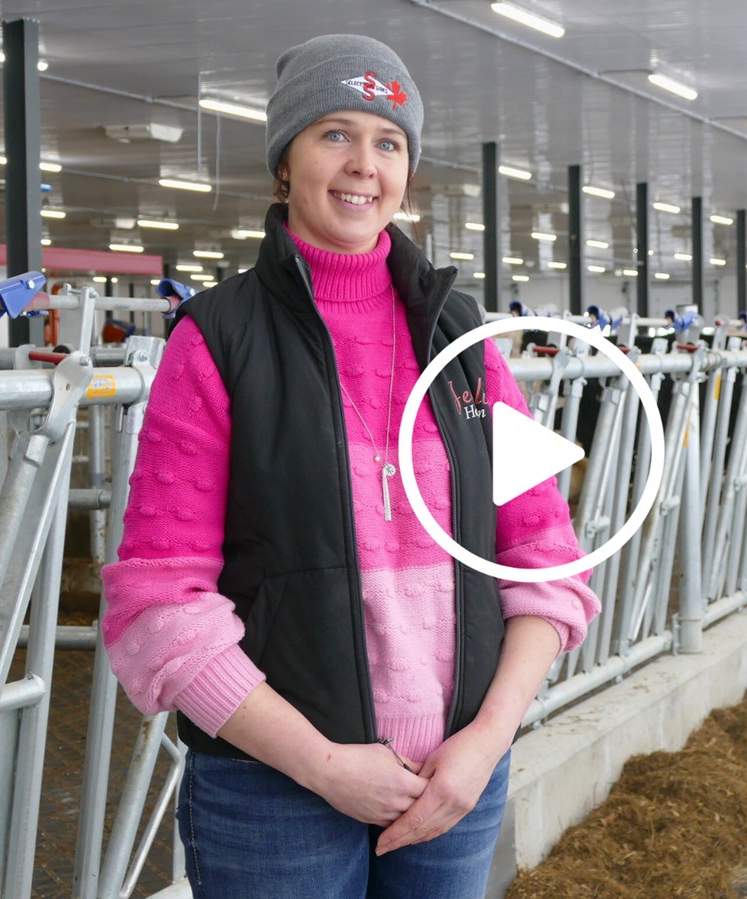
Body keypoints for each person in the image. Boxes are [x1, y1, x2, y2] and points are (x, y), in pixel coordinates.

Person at [100, 34, 600, 898]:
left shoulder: (465, 343)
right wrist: (325, 765)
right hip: (276, 790)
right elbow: (161, 600)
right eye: (334, 133)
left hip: (456, 779)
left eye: (389, 140)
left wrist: (484, 742)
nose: (362, 164)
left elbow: (545, 556)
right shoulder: (217, 339)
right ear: (284, 161)